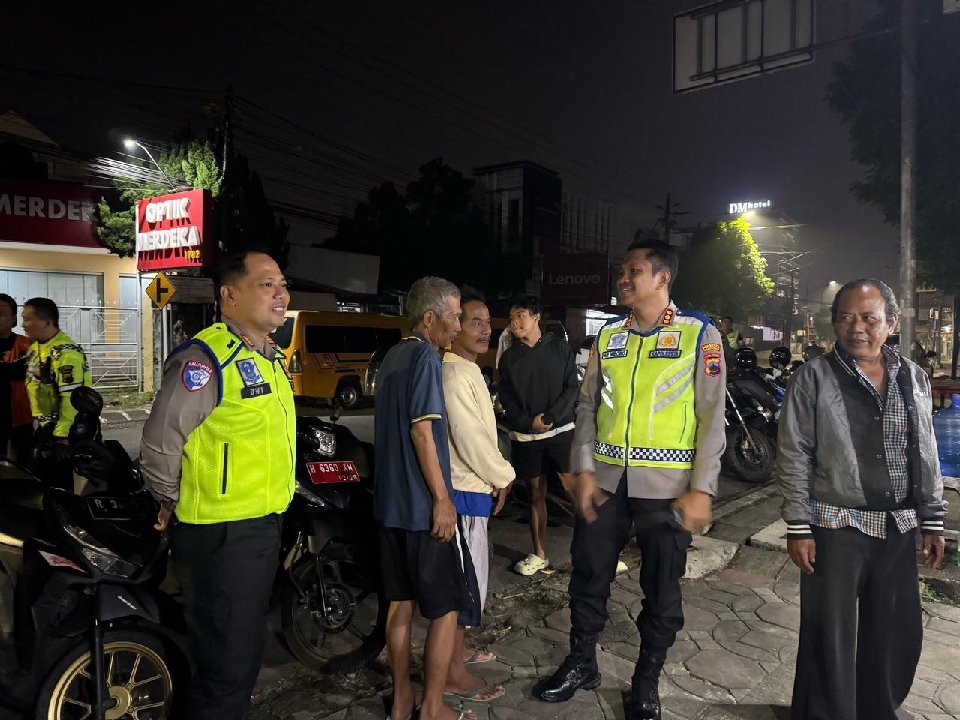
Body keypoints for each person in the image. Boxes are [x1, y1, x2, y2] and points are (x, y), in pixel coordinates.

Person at [534, 240, 726, 720]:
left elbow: (711, 415)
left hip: (668, 490)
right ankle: (582, 664)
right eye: (622, 271)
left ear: (662, 277)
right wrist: (581, 469)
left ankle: (645, 681)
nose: (623, 278)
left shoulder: (697, 333)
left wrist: (702, 488)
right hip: (605, 483)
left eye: (634, 270)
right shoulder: (608, 338)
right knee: (587, 575)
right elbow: (586, 408)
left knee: (661, 590)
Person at [777, 278, 946, 720]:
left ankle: (875, 710)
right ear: (835, 323)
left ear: (890, 323)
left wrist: (933, 519)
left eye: (869, 318)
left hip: (897, 527)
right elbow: (794, 453)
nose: (857, 327)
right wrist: (798, 525)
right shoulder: (812, 377)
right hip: (834, 527)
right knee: (828, 635)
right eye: (847, 317)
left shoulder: (913, 377)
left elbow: (926, 451)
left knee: (893, 632)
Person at [139, 249, 295, 720]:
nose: (281, 293)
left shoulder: (269, 357)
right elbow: (161, 439)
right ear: (228, 296)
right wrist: (168, 499)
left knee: (240, 658)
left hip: (258, 528)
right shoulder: (206, 358)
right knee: (225, 672)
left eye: (283, 284)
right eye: (266, 284)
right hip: (221, 535)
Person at [374, 277, 476, 720]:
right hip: (421, 509)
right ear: (429, 317)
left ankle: (401, 699)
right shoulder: (424, 356)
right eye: (454, 316)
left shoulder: (392, 356)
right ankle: (432, 707)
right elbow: (422, 431)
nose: (459, 325)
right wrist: (442, 499)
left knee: (399, 604)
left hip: (389, 509)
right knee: (445, 609)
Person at [440, 287, 514, 702]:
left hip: (474, 490)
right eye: (475, 323)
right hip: (464, 493)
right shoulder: (453, 374)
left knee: (472, 582)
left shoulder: (468, 370)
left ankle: (458, 652)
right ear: (453, 330)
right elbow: (471, 440)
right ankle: (451, 673)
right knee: (465, 587)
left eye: (488, 322)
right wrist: (502, 475)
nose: (486, 330)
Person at [497, 294, 579, 576]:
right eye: (511, 318)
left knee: (575, 492)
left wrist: (551, 417)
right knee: (535, 494)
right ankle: (539, 554)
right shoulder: (509, 358)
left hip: (562, 433)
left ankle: (595, 550)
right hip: (526, 438)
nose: (514, 322)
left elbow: (572, 387)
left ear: (536, 317)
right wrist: (526, 423)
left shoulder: (559, 348)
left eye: (519, 315)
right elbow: (506, 398)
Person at [22, 297, 92, 489]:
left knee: (59, 490)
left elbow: (71, 398)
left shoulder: (65, 353)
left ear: (47, 322)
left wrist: (62, 437)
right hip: (43, 430)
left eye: (28, 319)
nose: (23, 324)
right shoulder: (37, 347)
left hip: (60, 434)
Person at [0, 294, 31, 463]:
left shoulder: (27, 345)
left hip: (22, 417)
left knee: (24, 465)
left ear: (13, 319)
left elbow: (28, 371)